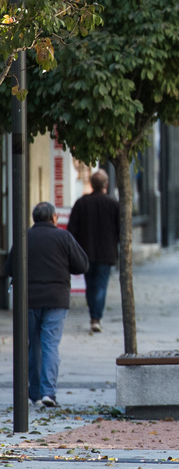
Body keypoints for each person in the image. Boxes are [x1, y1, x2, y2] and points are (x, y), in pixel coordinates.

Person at [4, 202, 90, 407]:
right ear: (54, 218)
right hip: (56, 298)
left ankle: (34, 393)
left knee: (33, 345)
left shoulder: (24, 237)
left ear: (35, 218)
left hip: (29, 298)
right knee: (50, 344)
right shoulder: (63, 237)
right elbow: (82, 265)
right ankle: (48, 393)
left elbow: (9, 268)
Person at [66, 169, 120, 334]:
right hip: (106, 252)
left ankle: (94, 316)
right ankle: (97, 317)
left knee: (90, 284)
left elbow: (71, 229)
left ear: (91, 184)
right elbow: (121, 230)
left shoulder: (82, 203)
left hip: (86, 253)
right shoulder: (113, 204)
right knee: (101, 284)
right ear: (105, 184)